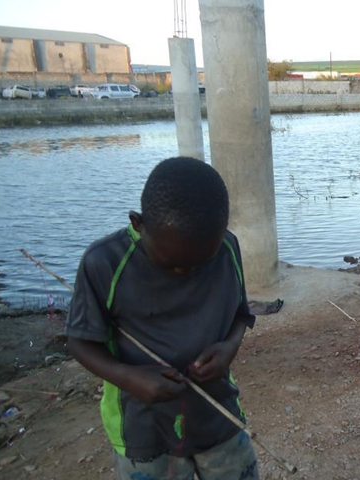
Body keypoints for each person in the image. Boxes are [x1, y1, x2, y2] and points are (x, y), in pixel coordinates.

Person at [65, 157, 260, 480]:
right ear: (138, 223)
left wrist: (229, 348)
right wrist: (129, 378)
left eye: (201, 263)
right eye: (172, 266)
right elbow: (80, 341)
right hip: (143, 430)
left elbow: (241, 315)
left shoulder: (226, 248)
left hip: (218, 415)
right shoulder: (104, 263)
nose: (186, 273)